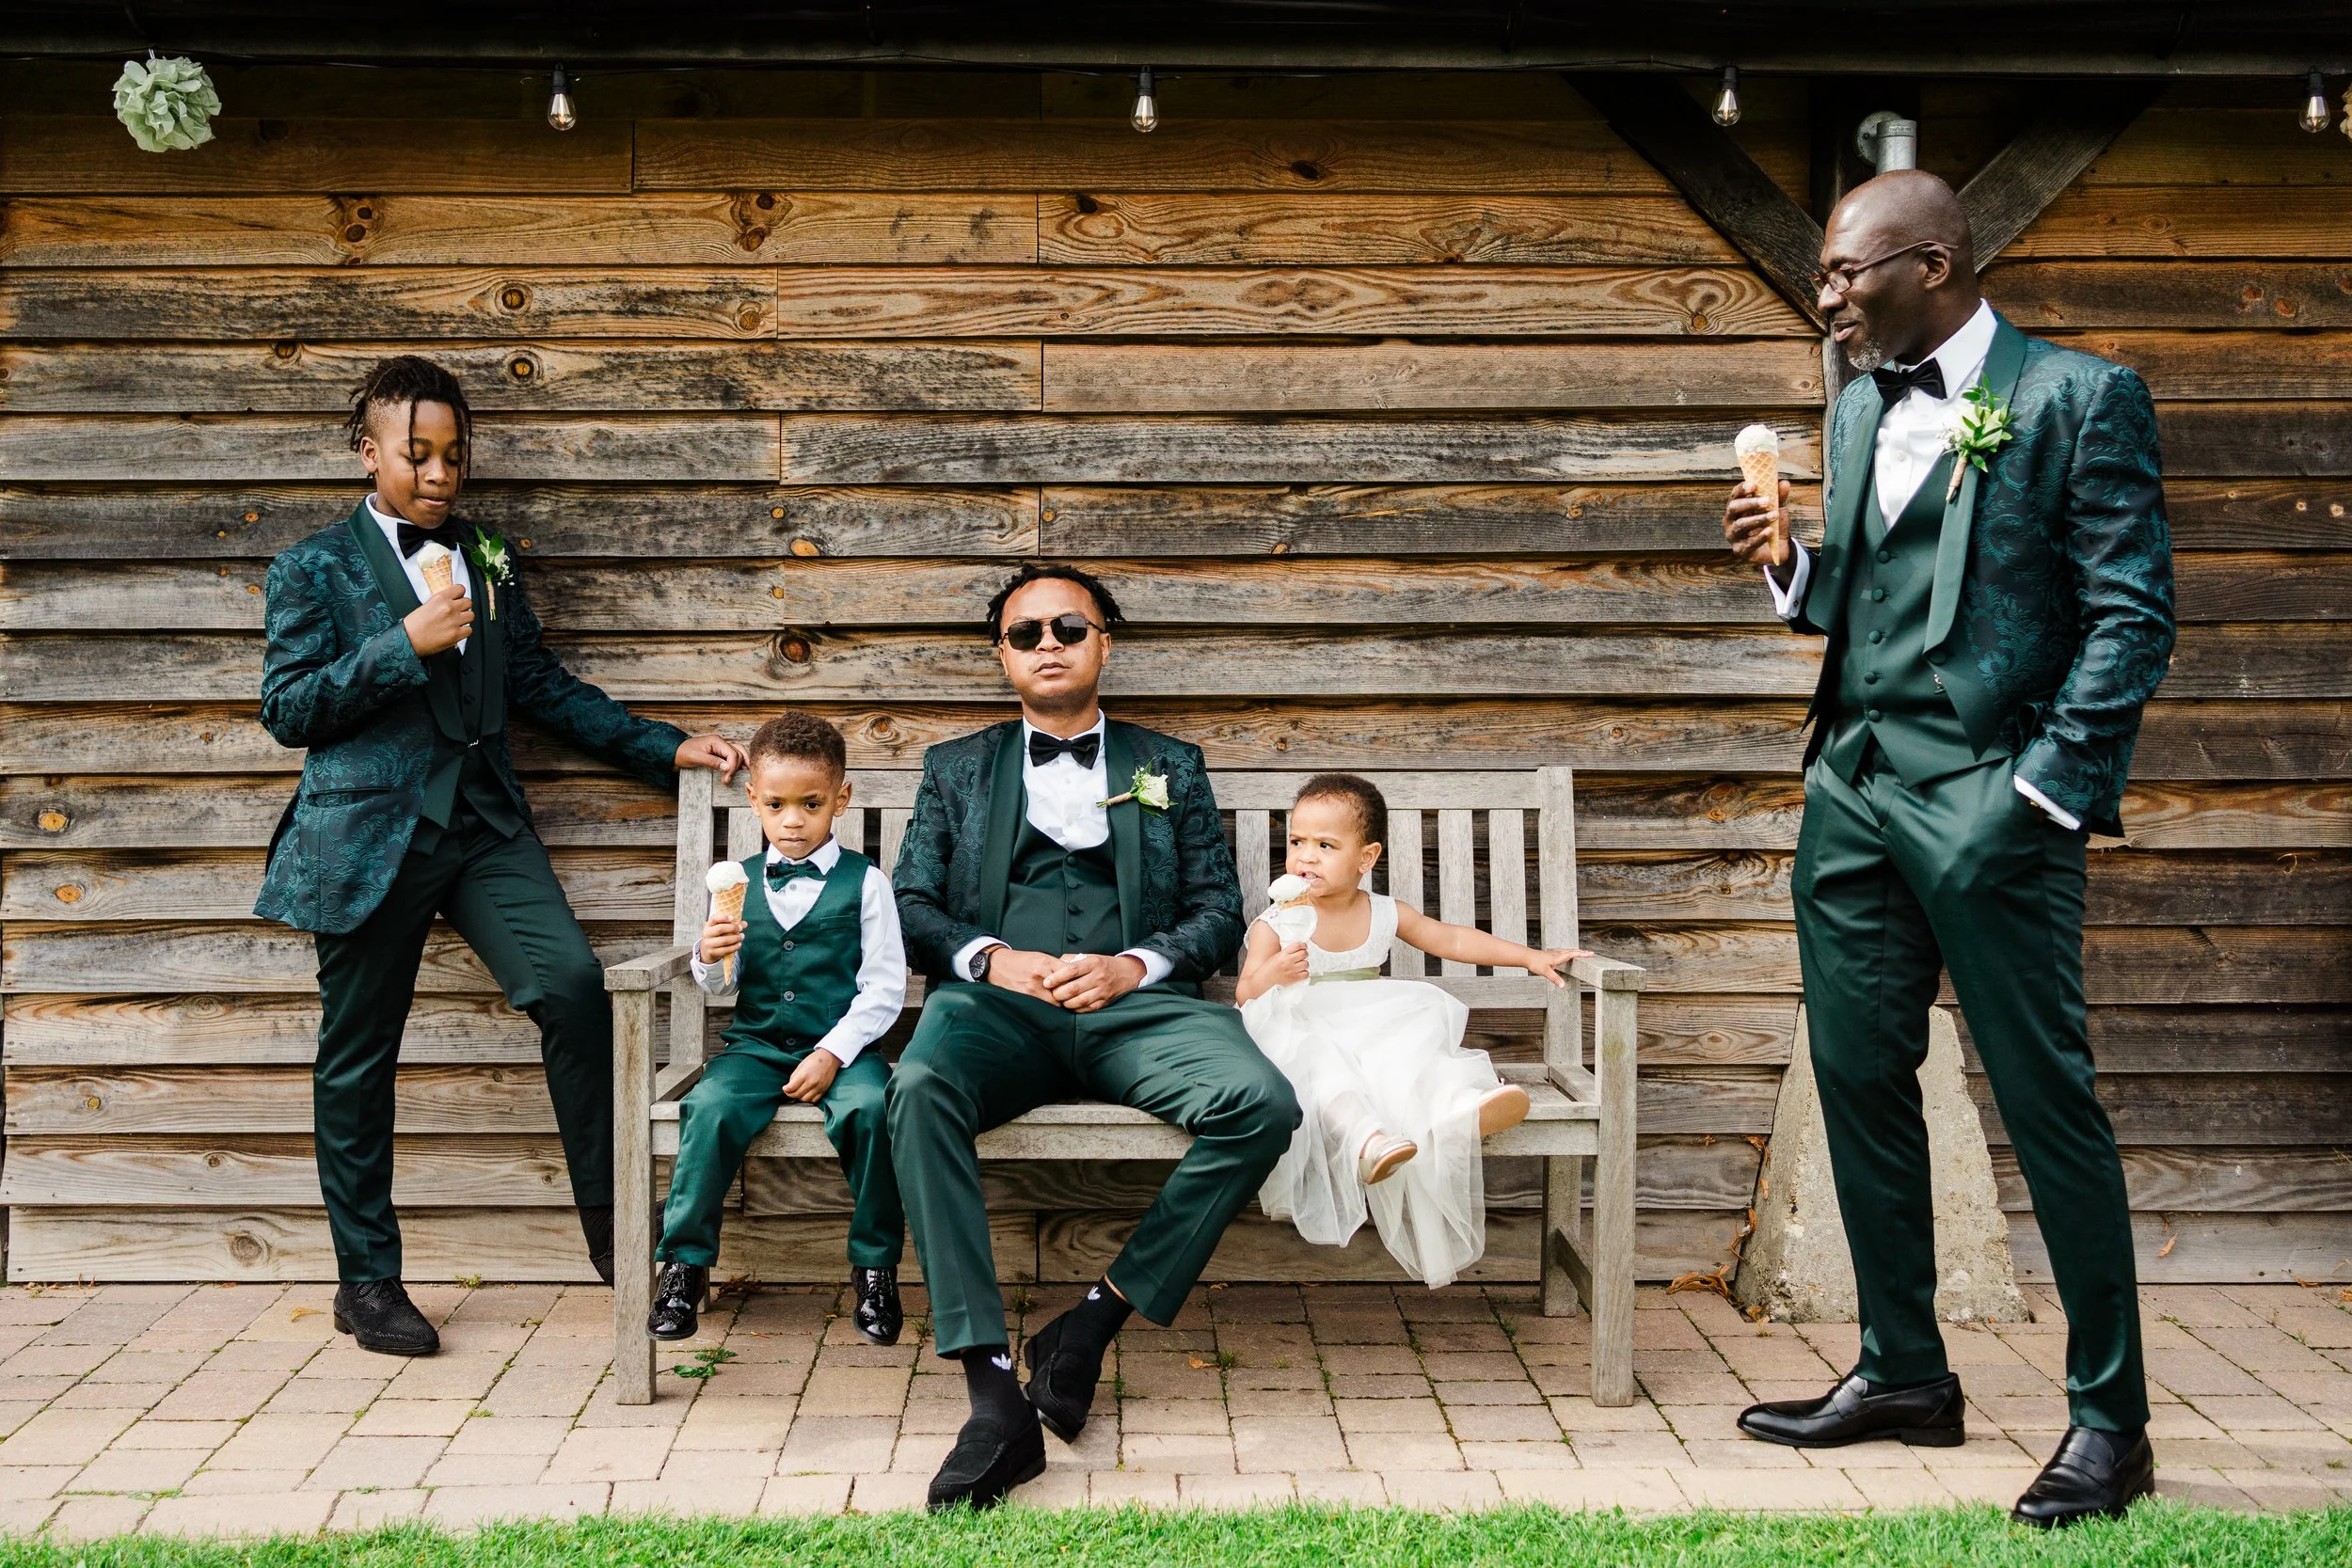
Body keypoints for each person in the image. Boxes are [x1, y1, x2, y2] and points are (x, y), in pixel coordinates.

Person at [1721, 170, 2173, 1528]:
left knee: (2045, 1099)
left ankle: (2112, 1421)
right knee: (1859, 1074)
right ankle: (1904, 1372)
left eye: (1846, 271)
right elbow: (1866, 600)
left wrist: (2037, 791)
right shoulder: (1858, 402)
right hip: (1853, 787)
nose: (1826, 295)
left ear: (1932, 262)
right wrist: (1790, 564)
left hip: (1993, 801)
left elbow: (2132, 615)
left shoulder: (2080, 397)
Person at [256, 356, 747, 1357]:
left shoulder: (487, 554)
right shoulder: (312, 567)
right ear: (369, 452)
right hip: (369, 839)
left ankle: (623, 1242)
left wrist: (664, 747)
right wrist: (403, 642)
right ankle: (367, 1279)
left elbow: (537, 682)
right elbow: (288, 708)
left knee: (572, 988)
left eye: (453, 454)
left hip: (484, 827)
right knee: (358, 1056)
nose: (440, 473)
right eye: (417, 454)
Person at [888, 562, 1301, 1511]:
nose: (1047, 643)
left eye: (1068, 628)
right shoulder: (954, 768)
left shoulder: (1170, 764)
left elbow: (1216, 909)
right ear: (1002, 656)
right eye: (1024, 632)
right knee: (917, 1088)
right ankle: (993, 1394)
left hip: (1135, 1010)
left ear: (1103, 644)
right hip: (995, 1011)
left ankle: (1088, 1323)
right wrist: (991, 958)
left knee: (1262, 1103)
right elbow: (911, 901)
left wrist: (1134, 965)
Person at [1234, 773, 1585, 1288]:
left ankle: (1458, 1108)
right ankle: (1368, 1140)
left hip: (1367, 1023)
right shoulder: (1278, 922)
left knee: (1411, 1047)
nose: (1306, 857)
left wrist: (1530, 957)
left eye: (1325, 846)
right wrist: (1275, 972)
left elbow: (1453, 941)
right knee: (1322, 1066)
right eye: (1297, 842)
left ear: (1367, 857)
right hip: (1300, 1025)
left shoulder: (1383, 912)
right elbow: (1247, 993)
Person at [649, 712, 907, 1347]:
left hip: (844, 1050)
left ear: (840, 799)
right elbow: (720, 986)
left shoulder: (867, 884)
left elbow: (884, 988)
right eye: (777, 805)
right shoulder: (735, 883)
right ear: (753, 800)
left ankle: (876, 1267)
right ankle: (683, 1265)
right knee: (709, 1107)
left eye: (810, 804)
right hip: (756, 1046)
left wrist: (832, 1053)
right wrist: (707, 954)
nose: (793, 821)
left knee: (873, 1110)